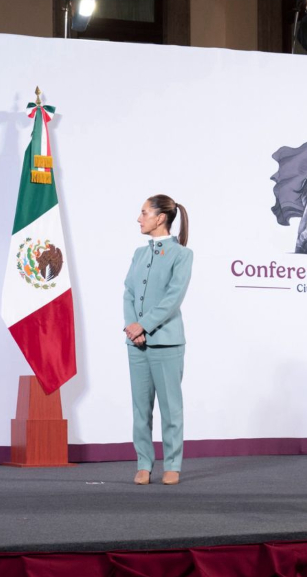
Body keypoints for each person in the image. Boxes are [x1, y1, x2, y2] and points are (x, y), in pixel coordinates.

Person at [123, 195, 193, 486]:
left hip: (166, 343)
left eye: (144, 213)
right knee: (140, 409)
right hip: (136, 343)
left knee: (170, 408)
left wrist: (143, 325)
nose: (139, 219)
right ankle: (143, 463)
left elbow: (173, 298)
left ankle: (173, 464)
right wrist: (133, 329)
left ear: (160, 217)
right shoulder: (139, 254)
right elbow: (129, 292)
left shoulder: (182, 254)